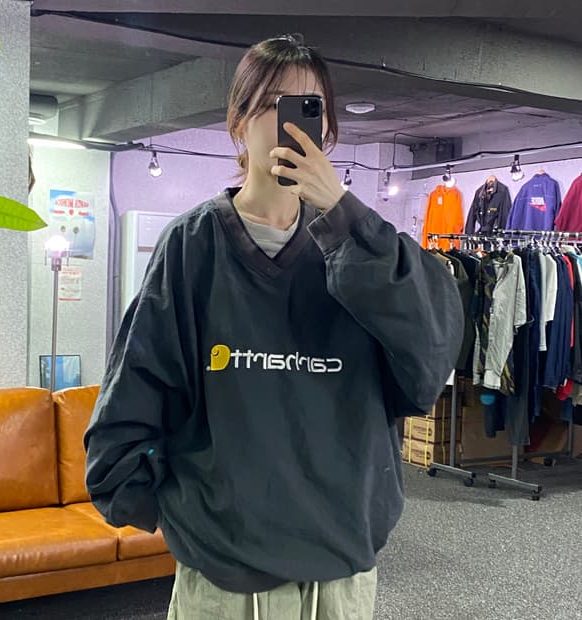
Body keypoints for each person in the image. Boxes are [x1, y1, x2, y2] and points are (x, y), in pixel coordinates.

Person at [84, 34, 464, 620]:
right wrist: (186, 514)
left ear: (327, 127)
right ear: (239, 121)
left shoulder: (362, 249)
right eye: (270, 105)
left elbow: (430, 355)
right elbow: (135, 394)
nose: (288, 125)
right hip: (224, 576)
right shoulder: (193, 245)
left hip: (339, 569)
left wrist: (345, 215)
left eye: (308, 108)